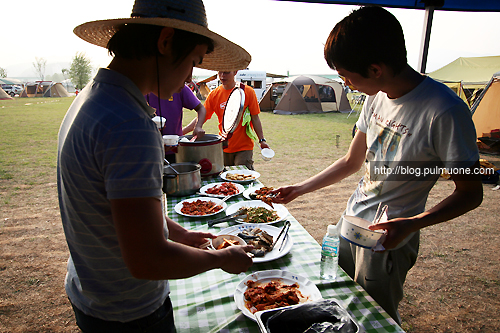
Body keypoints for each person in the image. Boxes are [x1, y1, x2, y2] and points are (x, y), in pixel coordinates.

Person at [272, 6, 483, 324]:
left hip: (389, 238)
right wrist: (299, 189)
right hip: (351, 223)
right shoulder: (376, 96)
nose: (345, 83)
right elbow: (351, 161)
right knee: (338, 304)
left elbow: (471, 192)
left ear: (375, 69)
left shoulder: (445, 110)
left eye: (345, 75)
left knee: (376, 317)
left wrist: (411, 224)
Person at [57, 0, 254, 332]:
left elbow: (124, 210)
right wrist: (221, 259)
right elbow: (148, 259)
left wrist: (183, 234)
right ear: (165, 42)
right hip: (129, 312)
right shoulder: (129, 123)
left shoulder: (94, 97)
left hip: (93, 294)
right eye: (193, 61)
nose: (191, 77)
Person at [188, 70, 270, 170]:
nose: (222, 76)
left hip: (244, 147)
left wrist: (262, 140)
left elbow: (255, 118)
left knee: (242, 178)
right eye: (220, 72)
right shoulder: (214, 94)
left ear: (235, 72)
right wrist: (182, 131)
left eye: (226, 72)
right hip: (223, 146)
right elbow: (201, 118)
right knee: (226, 180)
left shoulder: (247, 92)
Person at [146, 84, 207, 163]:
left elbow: (200, 108)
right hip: (150, 151)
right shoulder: (144, 90)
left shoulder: (179, 87)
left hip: (176, 149)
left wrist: (198, 126)